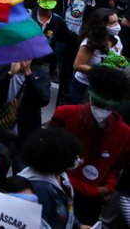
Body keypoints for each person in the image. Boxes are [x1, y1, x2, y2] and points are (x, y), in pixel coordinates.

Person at [49, 65, 130, 224]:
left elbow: (116, 168)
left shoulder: (125, 134)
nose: (101, 110)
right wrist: (96, 190)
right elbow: (49, 158)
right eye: (99, 103)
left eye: (107, 105)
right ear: (91, 95)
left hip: (91, 205)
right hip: (58, 193)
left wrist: (108, 187)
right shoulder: (65, 115)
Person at [0, 58, 51, 169]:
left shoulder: (40, 74)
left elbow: (44, 99)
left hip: (24, 135)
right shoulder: (4, 66)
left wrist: (28, 74)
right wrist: (9, 74)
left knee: (20, 172)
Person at [17, 127, 83, 229]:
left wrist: (79, 226)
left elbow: (67, 208)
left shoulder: (60, 175)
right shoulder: (41, 189)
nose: (77, 159)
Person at [68, 7, 122, 103]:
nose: (116, 25)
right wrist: (102, 72)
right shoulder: (89, 43)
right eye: (111, 23)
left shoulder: (116, 40)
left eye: (117, 22)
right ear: (101, 25)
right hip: (84, 87)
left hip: (103, 88)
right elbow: (77, 65)